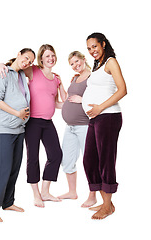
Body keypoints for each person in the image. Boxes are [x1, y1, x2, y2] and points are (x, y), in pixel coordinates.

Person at [0, 44, 67, 208]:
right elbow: (16, 68)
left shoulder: (56, 79)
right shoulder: (33, 70)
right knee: (33, 158)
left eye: (53, 55)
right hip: (33, 122)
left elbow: (58, 102)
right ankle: (36, 195)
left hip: (48, 122)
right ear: (41, 58)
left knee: (56, 154)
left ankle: (45, 191)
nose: (50, 59)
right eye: (47, 56)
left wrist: (62, 84)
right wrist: (2, 65)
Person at [0, 48, 35, 222]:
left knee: (14, 169)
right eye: (26, 58)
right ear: (19, 54)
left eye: (30, 61)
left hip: (20, 129)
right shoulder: (4, 73)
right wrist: (17, 113)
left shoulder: (21, 74)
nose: (28, 62)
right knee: (2, 169)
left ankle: (7, 202)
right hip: (5, 129)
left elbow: (36, 69)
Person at [82, 33, 127, 219]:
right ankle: (107, 203)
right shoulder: (97, 65)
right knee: (89, 160)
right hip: (96, 119)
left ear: (103, 44)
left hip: (108, 117)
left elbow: (123, 89)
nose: (92, 50)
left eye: (94, 46)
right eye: (89, 48)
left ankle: (107, 205)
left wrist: (100, 107)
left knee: (105, 161)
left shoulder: (111, 62)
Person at [57, 51, 97, 207]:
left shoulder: (92, 77)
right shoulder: (74, 79)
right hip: (70, 127)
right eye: (72, 64)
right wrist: (59, 84)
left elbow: (99, 99)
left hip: (85, 126)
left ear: (83, 59)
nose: (75, 65)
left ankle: (92, 196)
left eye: (76, 61)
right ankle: (72, 192)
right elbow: (67, 98)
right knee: (66, 160)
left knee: (90, 161)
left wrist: (83, 99)